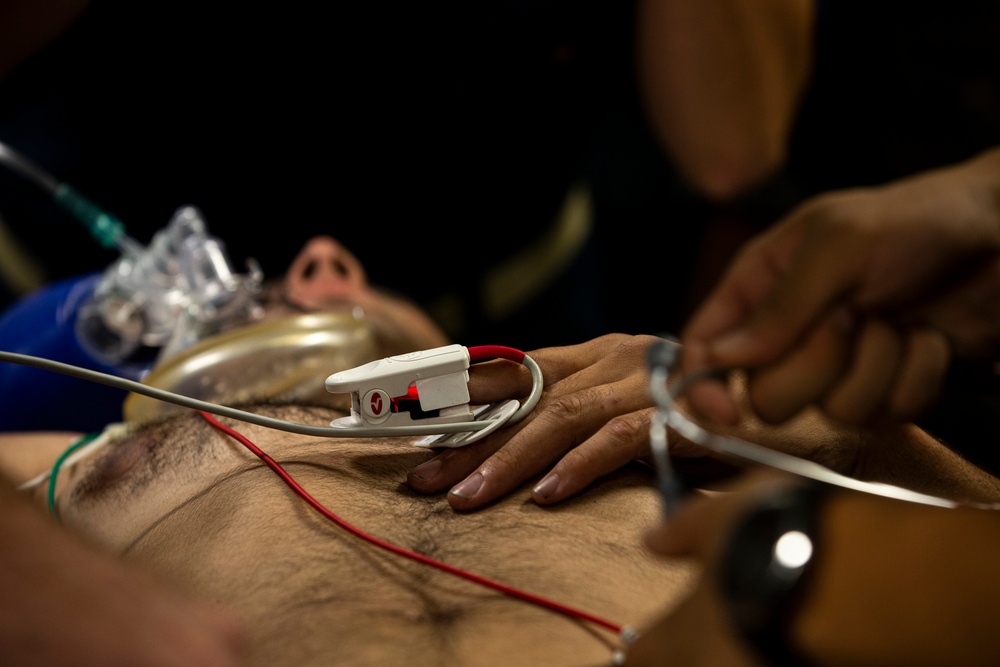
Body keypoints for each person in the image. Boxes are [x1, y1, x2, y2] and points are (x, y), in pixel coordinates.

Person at [0, 234, 697, 666]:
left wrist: (762, 413)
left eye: (372, 289)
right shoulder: (86, 461)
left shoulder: (618, 407)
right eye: (273, 292)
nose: (325, 259)